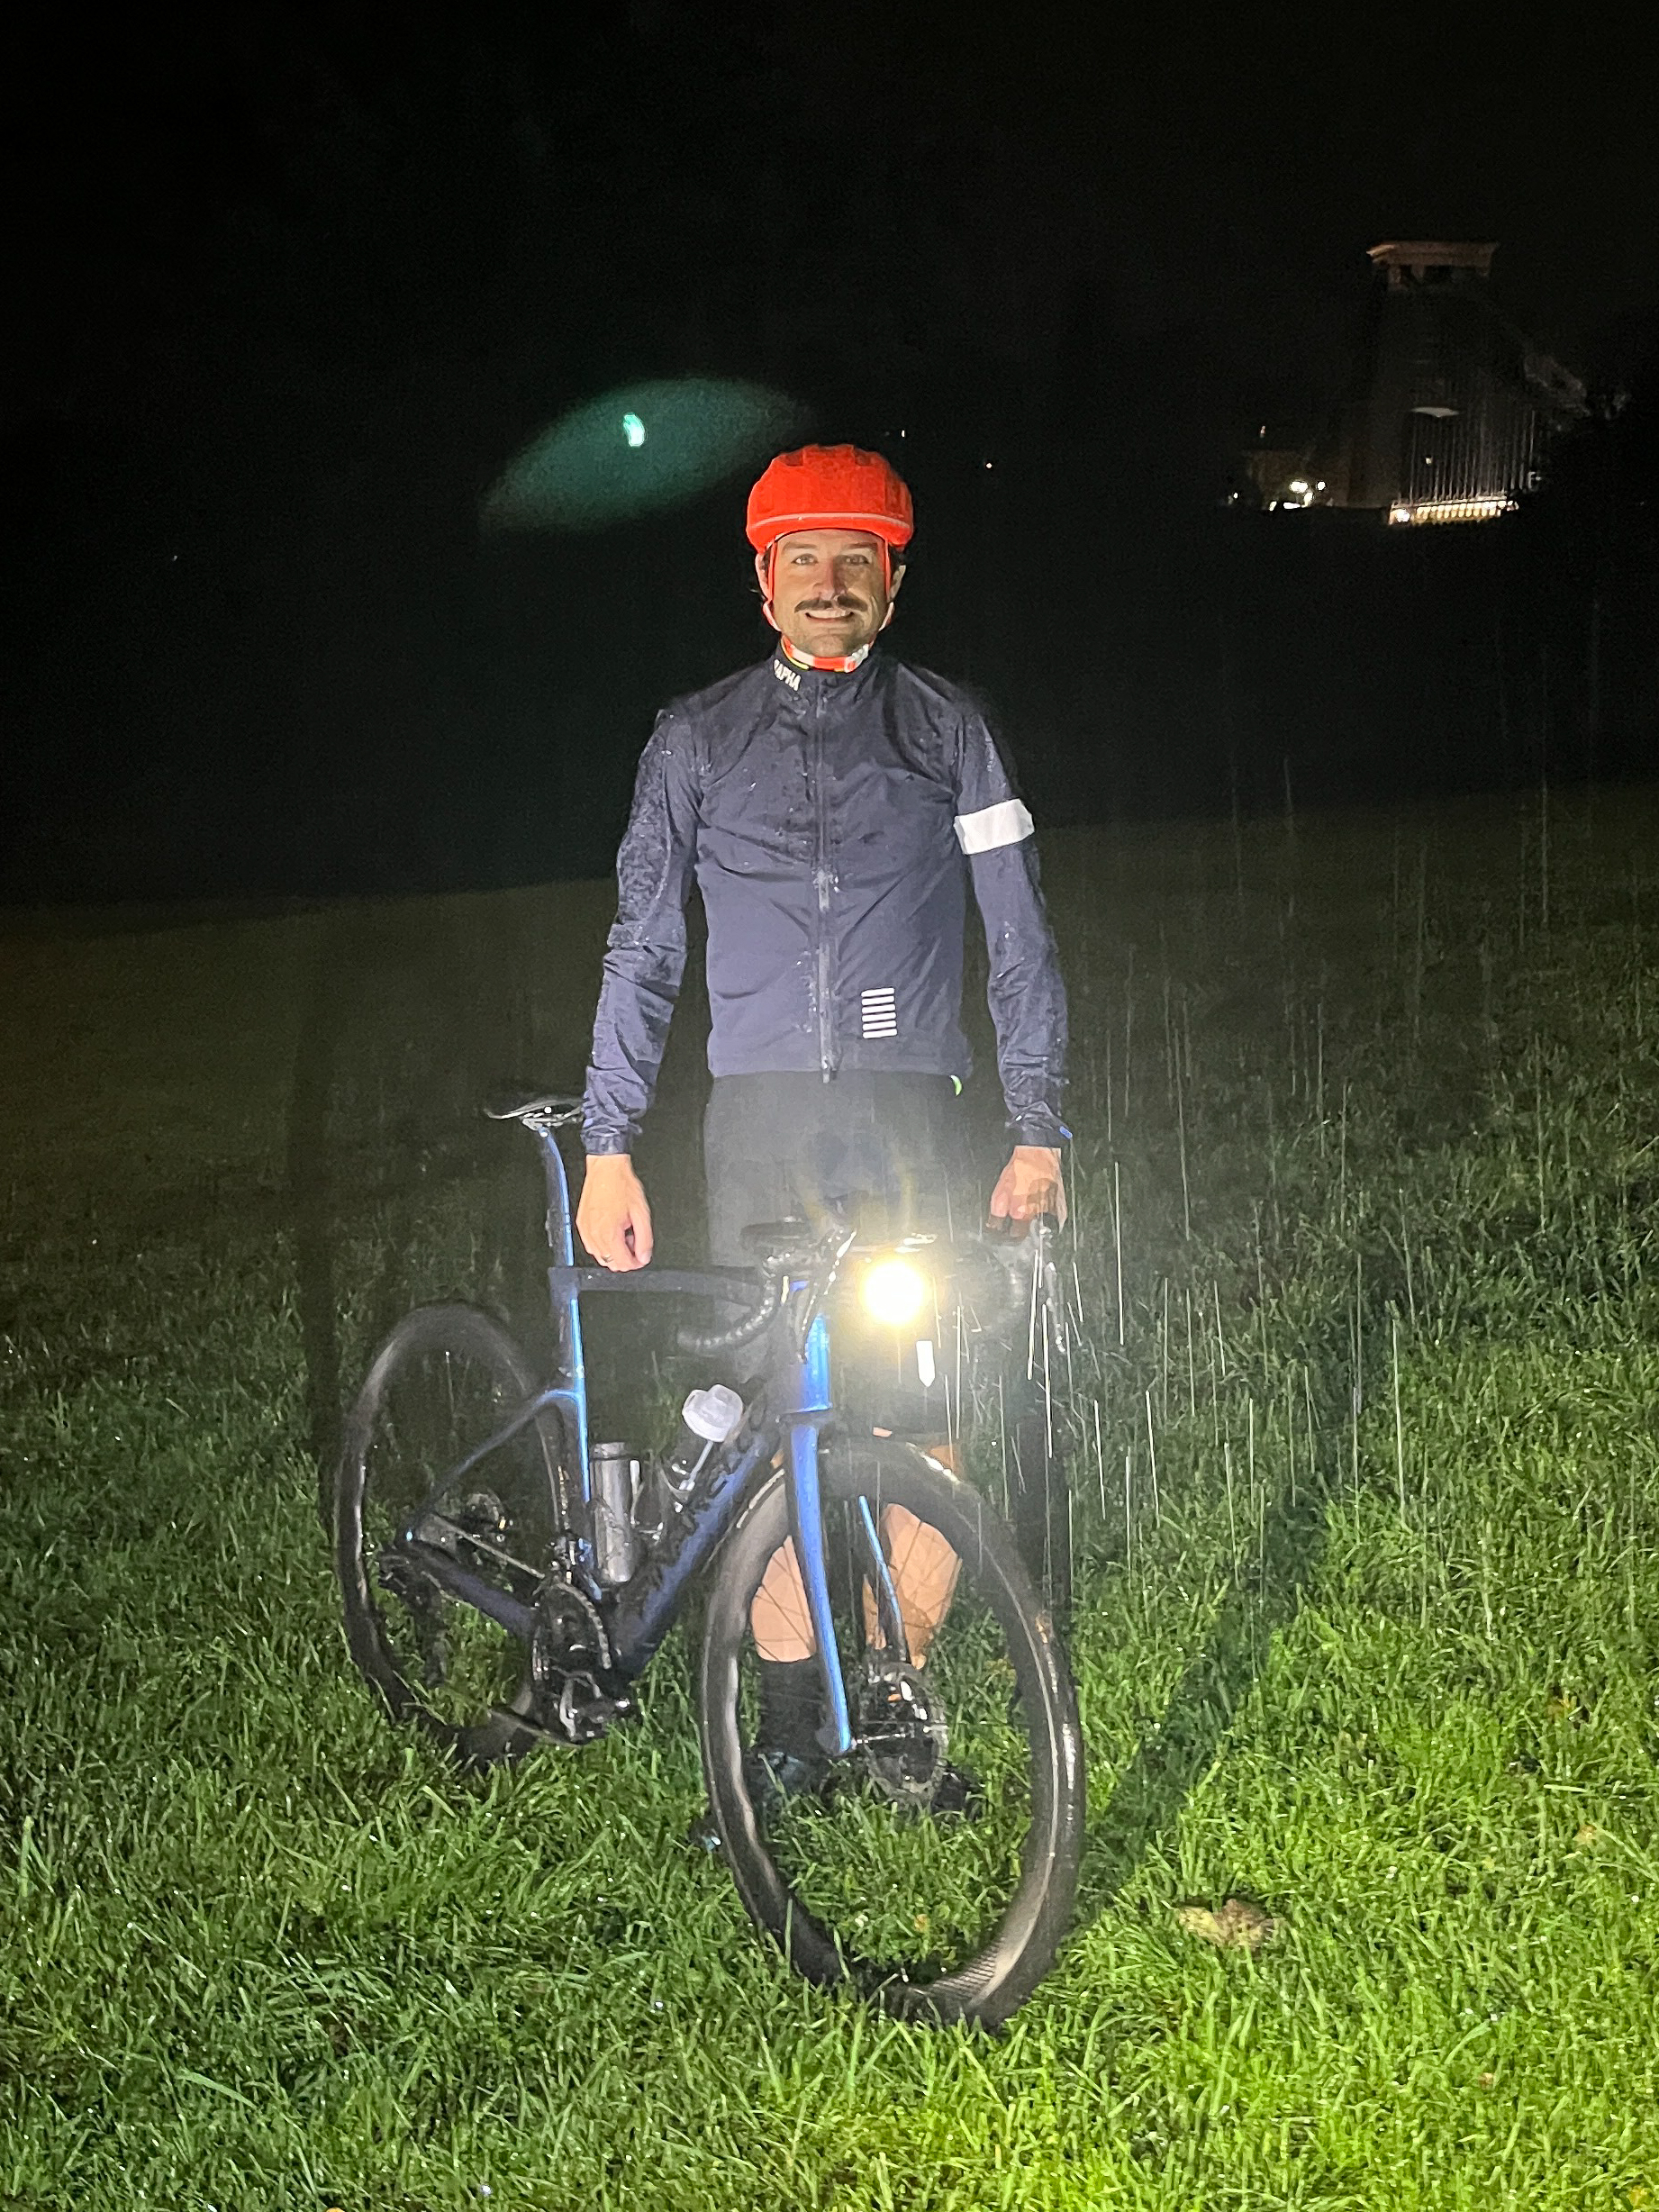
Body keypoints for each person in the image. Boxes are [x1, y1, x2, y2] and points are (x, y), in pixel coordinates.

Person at [576, 443, 1067, 1795]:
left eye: (859, 559)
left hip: (917, 1117)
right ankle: (794, 1729)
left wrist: (1040, 1128)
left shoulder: (948, 726)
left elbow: (1016, 938)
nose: (831, 584)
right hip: (762, 1127)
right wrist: (606, 1142)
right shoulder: (694, 735)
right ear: (764, 581)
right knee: (781, 1418)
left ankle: (892, 1715)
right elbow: (640, 946)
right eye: (804, 559)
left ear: (895, 582)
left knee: (918, 1419)